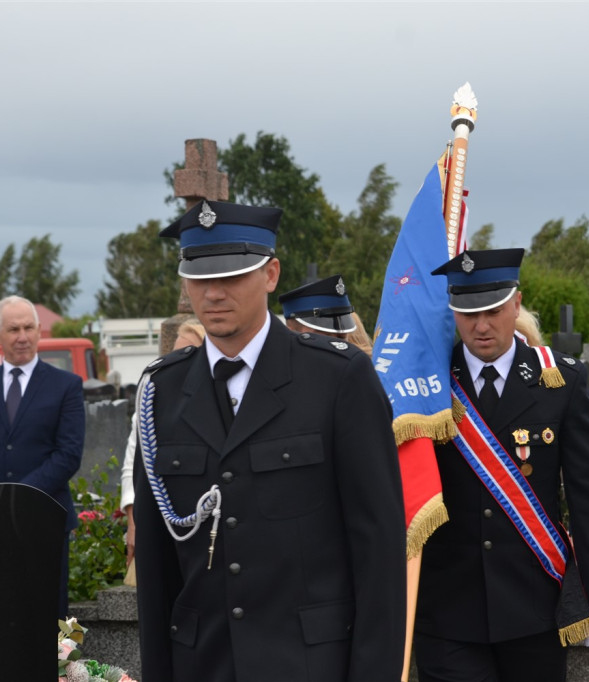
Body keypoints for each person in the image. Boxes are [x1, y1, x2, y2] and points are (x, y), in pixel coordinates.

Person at [133, 199, 406, 682]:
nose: (213, 293)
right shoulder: (161, 392)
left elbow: (378, 553)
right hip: (203, 664)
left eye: (232, 276)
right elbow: (156, 574)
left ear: (271, 274)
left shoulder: (337, 379)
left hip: (309, 664)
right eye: (199, 278)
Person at [416, 248, 589, 681]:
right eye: (467, 313)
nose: (481, 325)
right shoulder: (427, 383)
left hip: (532, 605)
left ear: (516, 302)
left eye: (492, 310)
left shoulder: (559, 381)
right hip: (447, 606)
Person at [0, 295, 85, 617]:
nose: (22, 336)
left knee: (45, 614)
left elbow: (67, 454)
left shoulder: (66, 385)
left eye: (29, 328)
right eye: (13, 329)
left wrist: (21, 497)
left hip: (45, 519)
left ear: (40, 331)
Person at [120, 320, 205, 569]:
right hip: (162, 525)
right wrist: (134, 523)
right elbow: (132, 469)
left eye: (187, 354)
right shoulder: (152, 406)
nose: (178, 361)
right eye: (175, 354)